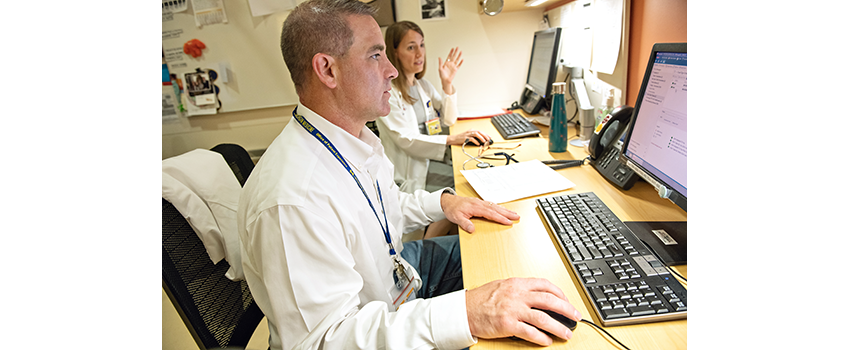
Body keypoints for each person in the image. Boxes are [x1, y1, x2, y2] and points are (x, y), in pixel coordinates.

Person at [237, 0, 582, 349]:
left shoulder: (353, 140)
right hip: (371, 322)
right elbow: (327, 341)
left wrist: (445, 203)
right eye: (375, 55)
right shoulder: (293, 200)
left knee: (500, 252)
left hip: (396, 275)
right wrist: (467, 313)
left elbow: (385, 206)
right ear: (327, 70)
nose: (390, 69)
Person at [376, 20, 491, 196]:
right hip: (412, 174)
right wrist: (452, 139)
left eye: (422, 45)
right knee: (466, 188)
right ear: (395, 52)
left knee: (472, 175)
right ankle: (434, 223)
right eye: (411, 47)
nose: (420, 53)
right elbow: (406, 140)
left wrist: (447, 84)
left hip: (432, 162)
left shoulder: (423, 86)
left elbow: (449, 119)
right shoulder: (387, 93)